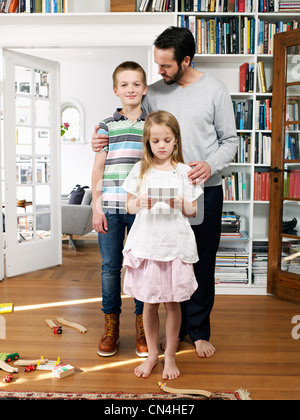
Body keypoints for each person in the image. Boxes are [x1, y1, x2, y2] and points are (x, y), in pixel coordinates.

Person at [91, 27, 238, 359]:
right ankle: (170, 330)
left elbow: (231, 141)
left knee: (199, 261)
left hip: (204, 189)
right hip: (159, 191)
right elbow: (130, 117)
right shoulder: (155, 91)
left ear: (185, 61)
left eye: (166, 65)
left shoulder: (215, 90)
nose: (159, 71)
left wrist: (209, 165)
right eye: (156, 64)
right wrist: (101, 135)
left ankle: (197, 331)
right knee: (163, 260)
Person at [123, 111, 203, 380]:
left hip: (174, 245)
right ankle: (151, 357)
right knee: (148, 303)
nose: (161, 145)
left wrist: (181, 203)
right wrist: (140, 203)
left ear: (175, 141)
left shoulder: (185, 172)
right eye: (155, 140)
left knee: (172, 303)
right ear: (147, 142)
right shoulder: (140, 170)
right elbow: (129, 206)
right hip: (148, 245)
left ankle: (169, 355)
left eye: (166, 140)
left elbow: (193, 211)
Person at [92, 61, 148, 358]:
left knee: (140, 266)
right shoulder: (105, 126)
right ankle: (111, 326)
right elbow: (99, 165)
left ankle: (142, 324)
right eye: (124, 84)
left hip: (141, 208)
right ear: (116, 90)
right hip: (110, 208)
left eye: (136, 84)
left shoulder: (152, 124)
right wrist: (96, 207)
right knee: (110, 267)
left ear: (145, 88)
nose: (130, 89)